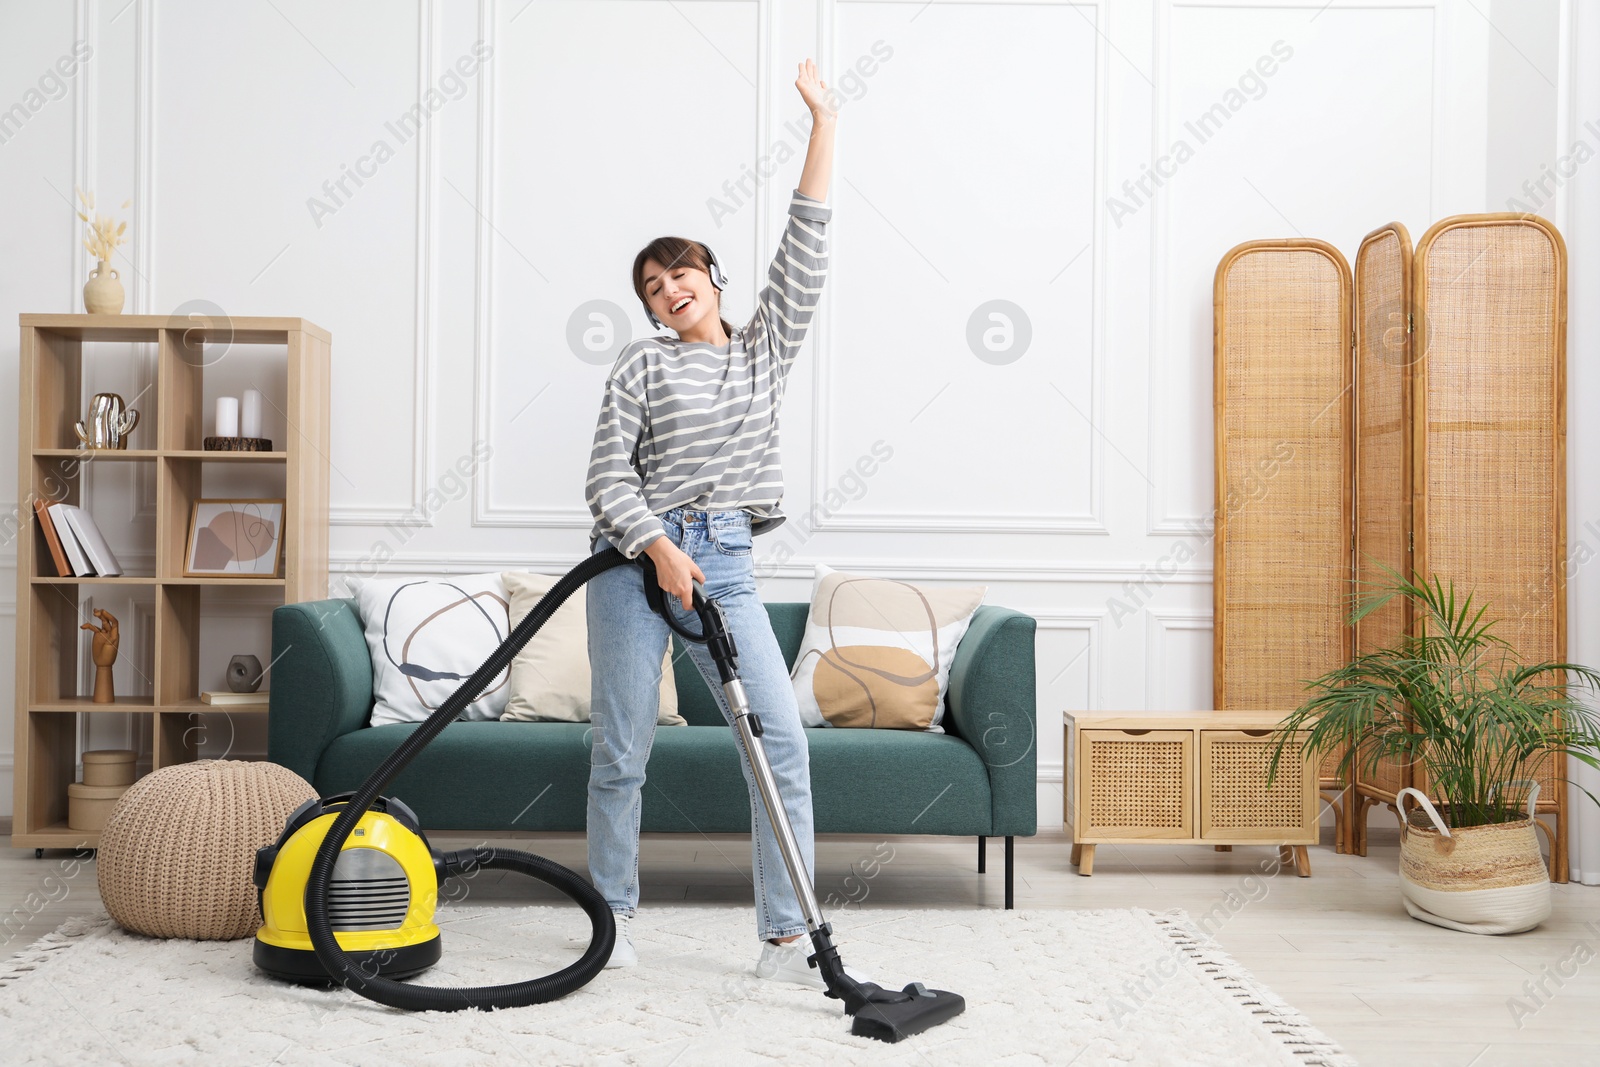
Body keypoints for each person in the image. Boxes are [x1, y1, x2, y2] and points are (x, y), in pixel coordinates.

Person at [583, 59, 842, 987]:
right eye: (650, 286)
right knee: (621, 747)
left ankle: (784, 930)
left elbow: (805, 241)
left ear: (712, 276)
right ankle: (610, 917)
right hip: (628, 564)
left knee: (779, 741)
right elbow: (606, 474)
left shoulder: (765, 348)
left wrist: (824, 121)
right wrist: (655, 548)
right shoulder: (641, 368)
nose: (665, 289)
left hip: (725, 562)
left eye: (678, 270)